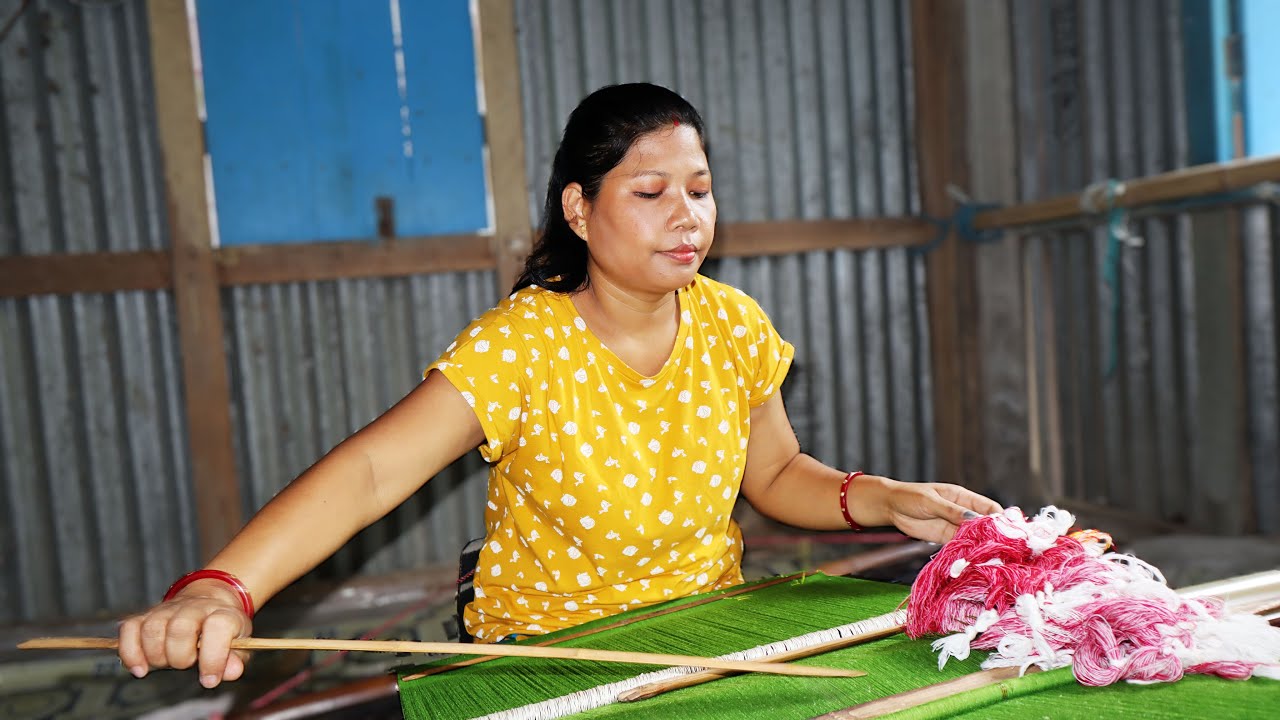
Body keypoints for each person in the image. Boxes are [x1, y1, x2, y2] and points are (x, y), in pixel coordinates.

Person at [116, 82, 1002, 689]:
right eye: (650, 191)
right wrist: (221, 588)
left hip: (707, 635)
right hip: (550, 657)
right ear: (580, 210)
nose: (687, 214)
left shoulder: (732, 322)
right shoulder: (525, 345)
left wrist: (883, 499)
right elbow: (373, 474)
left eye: (699, 188)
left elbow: (773, 477)